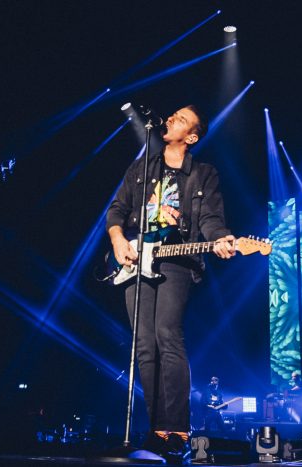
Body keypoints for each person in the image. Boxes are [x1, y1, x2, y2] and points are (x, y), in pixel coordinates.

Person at [106, 105, 235, 459]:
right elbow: (117, 209)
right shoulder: (142, 168)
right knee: (144, 344)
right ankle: (156, 430)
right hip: (136, 260)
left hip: (176, 260)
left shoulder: (203, 174)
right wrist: (118, 240)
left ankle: (177, 430)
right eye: (173, 115)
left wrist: (221, 238)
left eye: (181, 119)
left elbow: (210, 219)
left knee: (167, 333)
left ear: (191, 137)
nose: (171, 119)